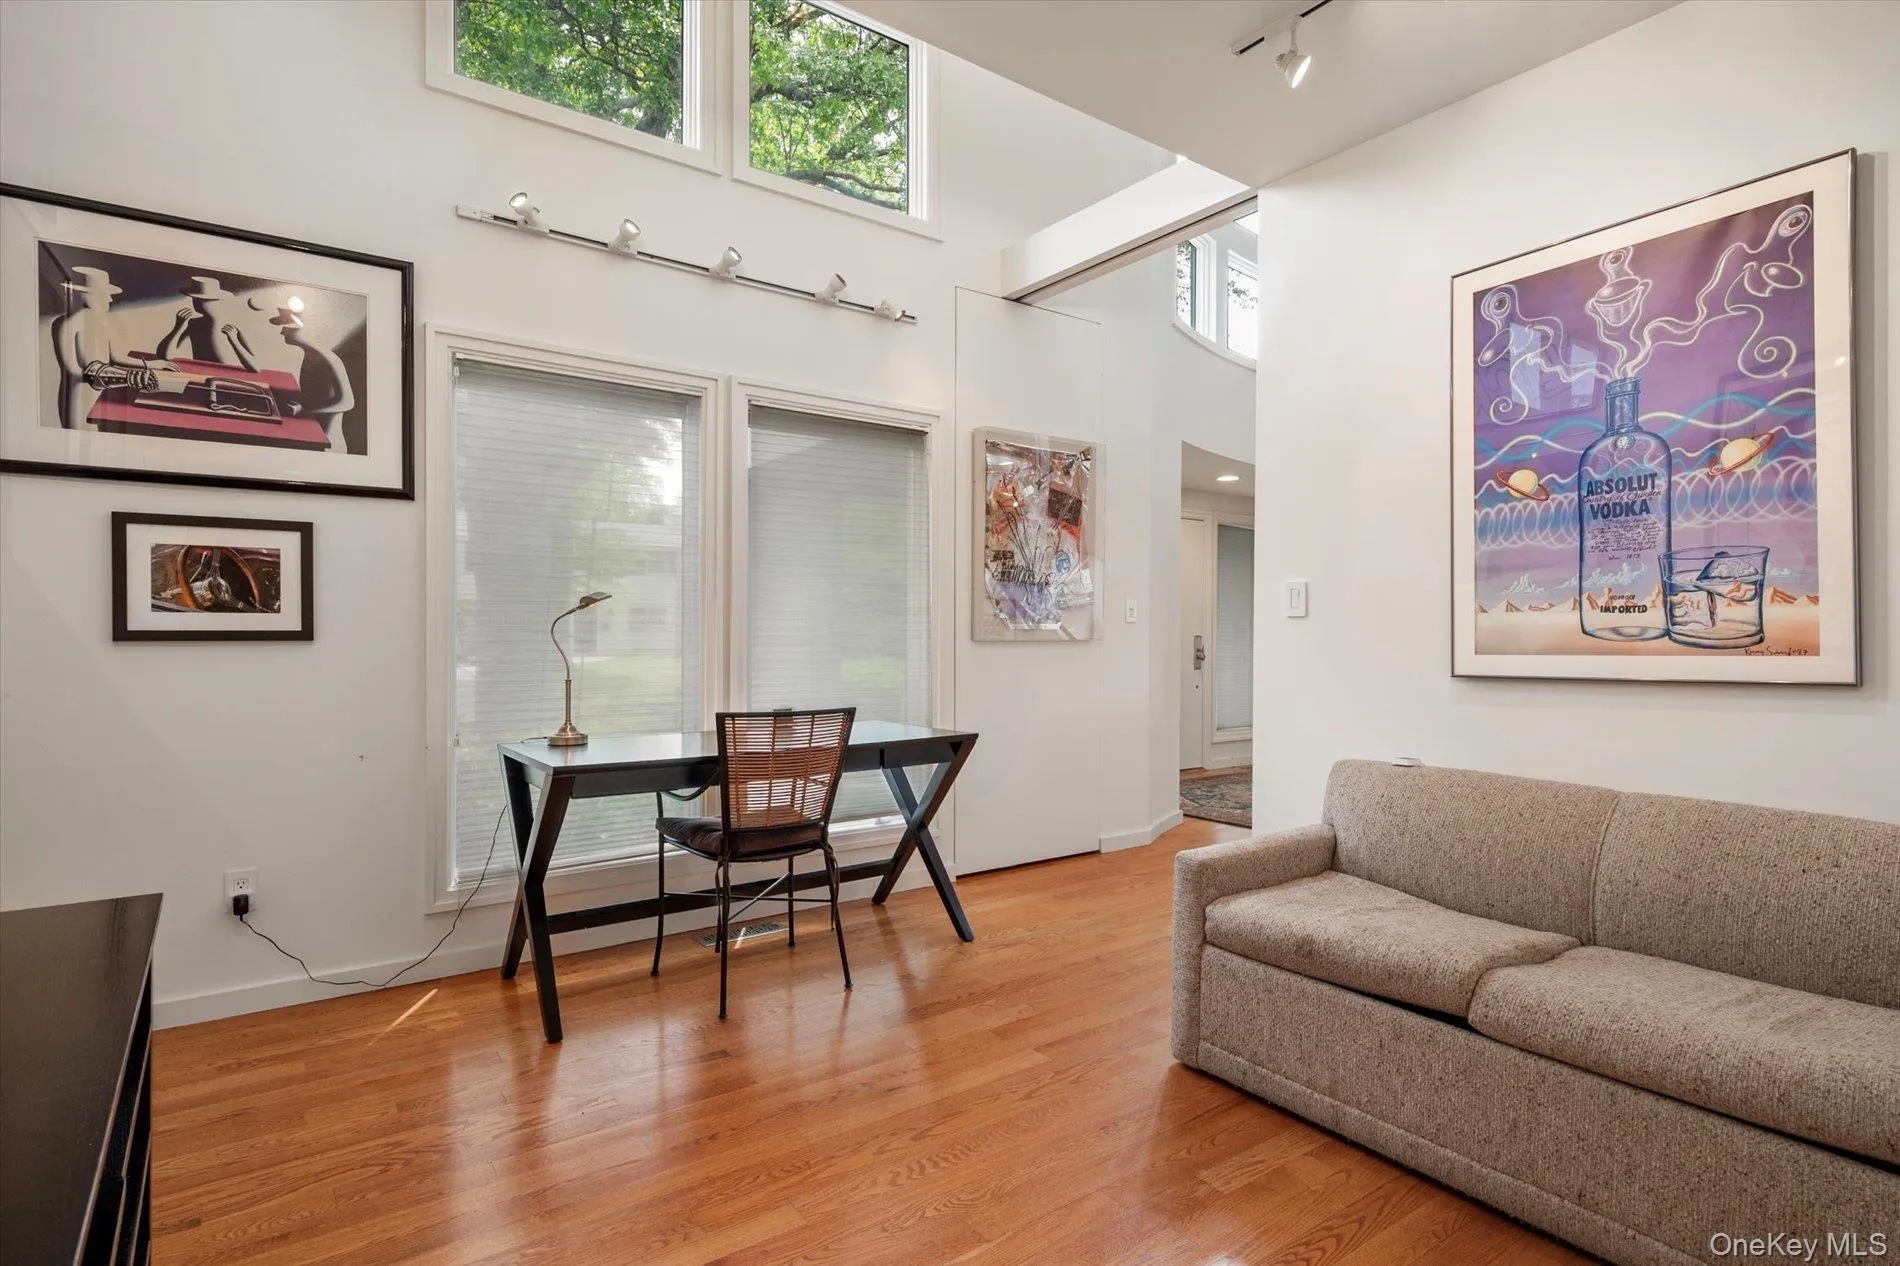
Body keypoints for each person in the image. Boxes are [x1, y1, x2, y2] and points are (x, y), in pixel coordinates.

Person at [231, 303, 355, 452]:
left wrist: (304, 409)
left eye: (289, 328)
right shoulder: (310, 355)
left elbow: (347, 402)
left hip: (327, 444)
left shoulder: (328, 358)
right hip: (312, 431)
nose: (282, 332)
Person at [50, 266, 157, 429]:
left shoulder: (98, 322)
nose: (110, 299)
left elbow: (114, 357)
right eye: (103, 294)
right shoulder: (74, 322)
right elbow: (82, 372)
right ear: (86, 295)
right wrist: (132, 377)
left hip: (98, 394)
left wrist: (147, 366)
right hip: (80, 398)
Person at [158, 275, 244, 365]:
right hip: (200, 371)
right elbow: (165, 355)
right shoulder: (193, 324)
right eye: (196, 299)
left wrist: (234, 341)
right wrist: (178, 327)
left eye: (205, 300)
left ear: (218, 300)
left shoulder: (232, 325)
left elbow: (255, 366)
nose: (197, 303)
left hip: (226, 373)